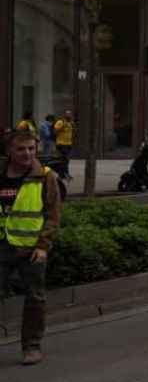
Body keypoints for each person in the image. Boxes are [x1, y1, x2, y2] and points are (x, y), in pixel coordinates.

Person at [1, 129, 61, 365]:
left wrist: (44, 246)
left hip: (32, 248)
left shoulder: (46, 176)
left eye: (31, 149)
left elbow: (53, 215)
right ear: (9, 151)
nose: (27, 153)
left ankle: (32, 347)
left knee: (35, 298)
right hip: (2, 246)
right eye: (20, 149)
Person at [51, 110, 74, 180]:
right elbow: (54, 131)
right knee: (65, 159)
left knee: (65, 160)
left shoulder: (70, 123)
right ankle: (65, 174)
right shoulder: (60, 122)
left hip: (68, 144)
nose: (69, 116)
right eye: (67, 114)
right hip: (61, 144)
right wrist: (62, 126)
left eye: (70, 114)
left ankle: (62, 174)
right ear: (64, 115)